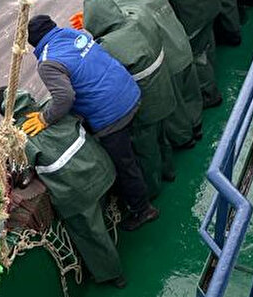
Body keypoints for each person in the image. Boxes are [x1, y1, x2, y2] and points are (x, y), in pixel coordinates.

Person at [26, 13, 158, 231]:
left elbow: (64, 98)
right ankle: (157, 180)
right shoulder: (72, 34)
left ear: (33, 42)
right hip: (130, 92)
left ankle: (143, 210)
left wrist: (44, 117)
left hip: (111, 114)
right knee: (138, 147)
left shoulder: (47, 62)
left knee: (124, 165)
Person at [0, 87, 126, 287]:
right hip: (103, 169)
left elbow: (21, 173)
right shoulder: (52, 107)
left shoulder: (18, 138)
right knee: (101, 203)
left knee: (87, 232)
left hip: (78, 192)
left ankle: (112, 274)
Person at [81, 0, 176, 198]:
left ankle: (152, 190)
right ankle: (169, 171)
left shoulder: (107, 44)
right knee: (162, 135)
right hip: (164, 87)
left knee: (145, 147)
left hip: (145, 102)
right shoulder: (138, 20)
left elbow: (96, 67)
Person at [107, 0, 204, 148]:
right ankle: (197, 125)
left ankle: (185, 139)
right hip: (182, 45)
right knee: (190, 92)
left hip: (169, 62)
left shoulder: (130, 12)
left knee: (175, 109)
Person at [168, 0, 223, 107]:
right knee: (206, 40)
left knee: (197, 54)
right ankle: (211, 71)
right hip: (208, 8)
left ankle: (209, 94)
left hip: (192, 15)